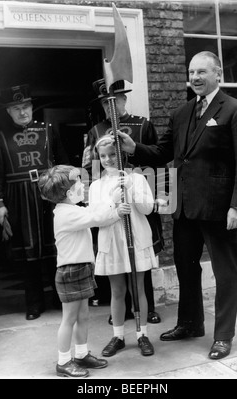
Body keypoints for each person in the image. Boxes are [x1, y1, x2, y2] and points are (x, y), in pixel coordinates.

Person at [117, 51, 237, 360]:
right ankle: (190, 324)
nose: (195, 77)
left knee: (226, 273)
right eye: (192, 72)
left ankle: (223, 335)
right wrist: (134, 148)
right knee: (186, 268)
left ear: (217, 74)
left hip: (220, 209)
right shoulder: (181, 113)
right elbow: (162, 153)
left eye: (202, 72)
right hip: (184, 208)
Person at [83, 78, 165, 324]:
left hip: (141, 191)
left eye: (114, 101)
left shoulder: (143, 125)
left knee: (141, 249)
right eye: (105, 104)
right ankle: (121, 312)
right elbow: (90, 167)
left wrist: (162, 193)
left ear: (124, 99)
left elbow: (158, 160)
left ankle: (147, 308)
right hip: (110, 194)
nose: (110, 107)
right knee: (117, 256)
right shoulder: (95, 131)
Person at [0, 84, 69, 321]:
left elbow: (62, 163)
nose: (22, 112)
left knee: (55, 250)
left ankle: (59, 298)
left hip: (48, 195)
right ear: (8, 112)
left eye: (26, 107)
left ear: (32, 107)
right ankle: (34, 303)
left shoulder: (48, 131)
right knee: (27, 254)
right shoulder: (0, 138)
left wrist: (66, 194)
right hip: (18, 199)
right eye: (16, 108)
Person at [38, 164, 130, 377]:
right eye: (79, 182)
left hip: (81, 268)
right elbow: (96, 218)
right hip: (70, 271)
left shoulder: (72, 209)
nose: (83, 184)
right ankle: (63, 361)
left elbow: (94, 213)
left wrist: (114, 211)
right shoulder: (65, 214)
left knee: (83, 315)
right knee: (69, 318)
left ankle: (80, 355)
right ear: (69, 192)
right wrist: (112, 201)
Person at [89, 135, 156, 357]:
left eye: (112, 155)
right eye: (103, 156)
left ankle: (142, 334)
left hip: (135, 238)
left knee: (138, 289)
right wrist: (113, 201)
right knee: (117, 290)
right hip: (113, 242)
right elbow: (96, 218)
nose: (108, 160)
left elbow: (147, 209)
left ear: (122, 154)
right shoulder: (96, 186)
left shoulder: (136, 179)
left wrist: (131, 188)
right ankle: (118, 336)